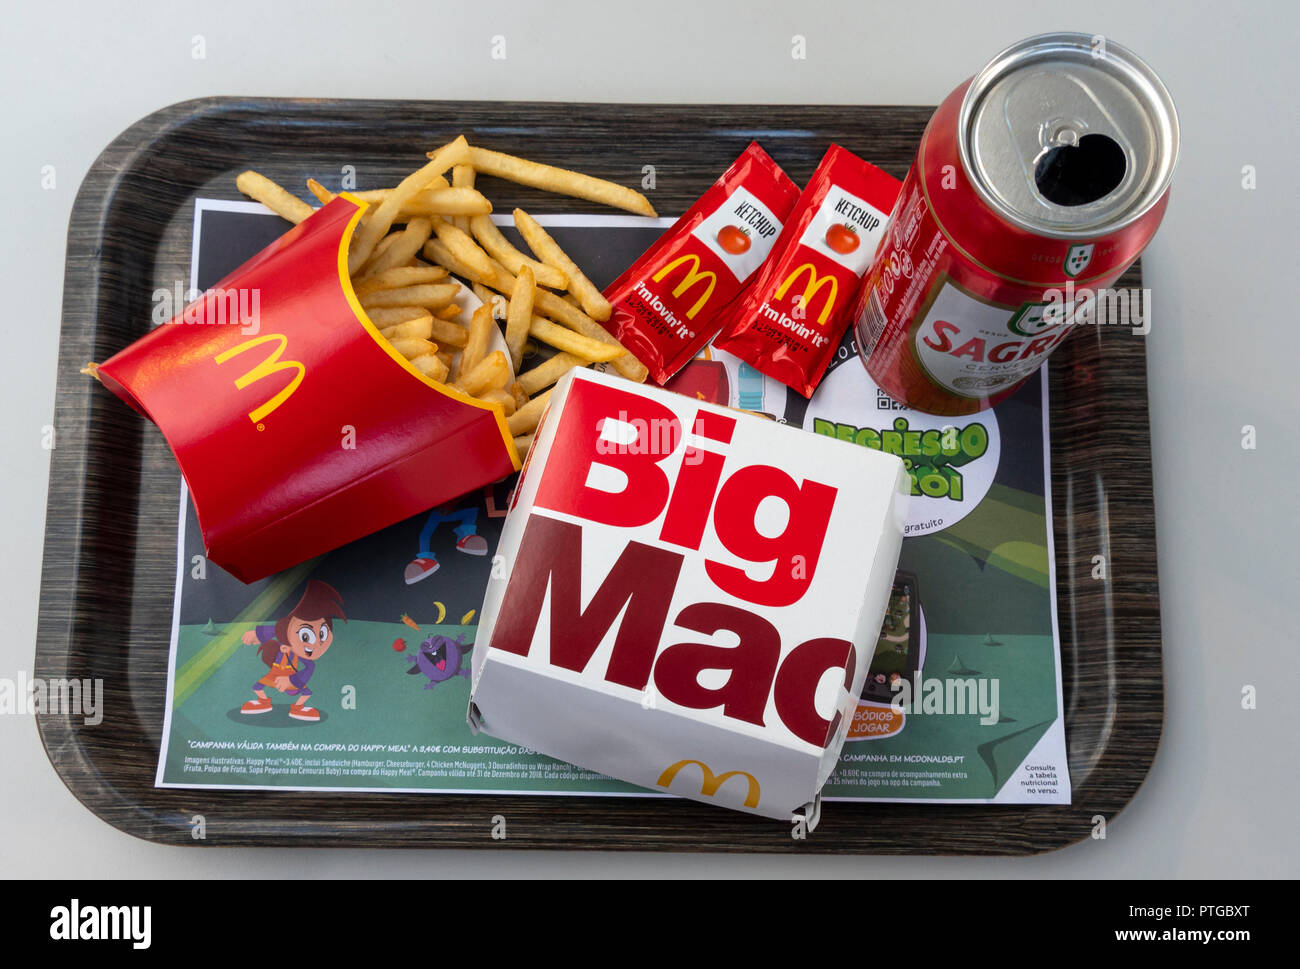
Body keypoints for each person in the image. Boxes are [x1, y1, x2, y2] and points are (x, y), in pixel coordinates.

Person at [239, 580, 346, 722]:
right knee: (258, 687)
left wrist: (291, 680)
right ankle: (263, 702)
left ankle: (298, 707)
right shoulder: (286, 641)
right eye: (306, 636)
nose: (316, 644)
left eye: (323, 635)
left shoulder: (298, 653)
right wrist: (257, 634)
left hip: (290, 676)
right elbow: (280, 630)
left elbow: (310, 666)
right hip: (276, 672)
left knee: (306, 693)